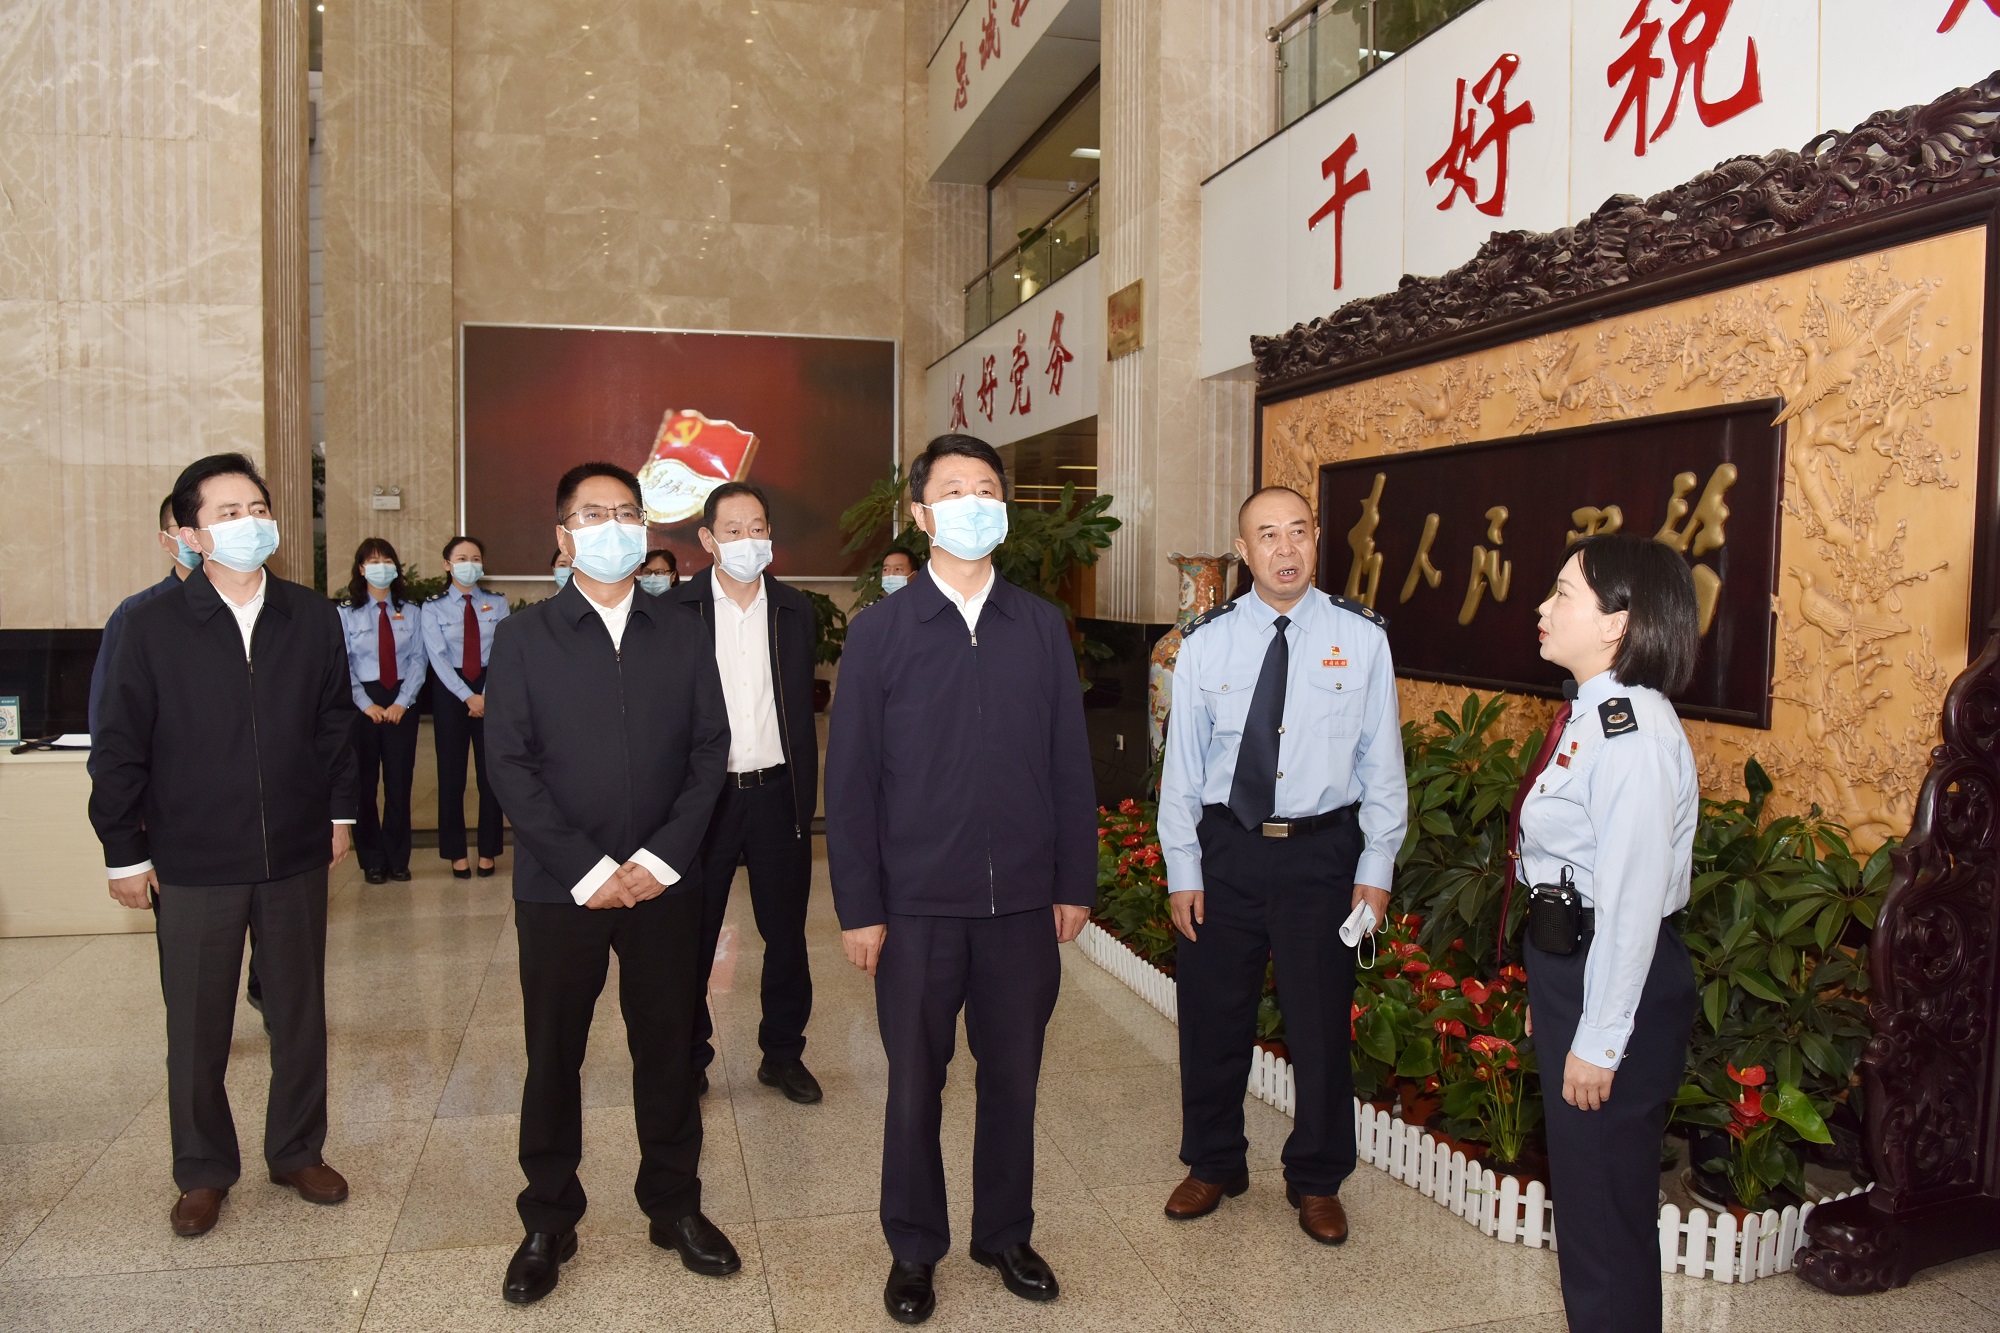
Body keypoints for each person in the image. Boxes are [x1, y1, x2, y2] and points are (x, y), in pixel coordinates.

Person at [826, 434, 1096, 1326]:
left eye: (987, 488)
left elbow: (1069, 764)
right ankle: (914, 1245)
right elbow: (850, 782)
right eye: (954, 490)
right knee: (915, 1085)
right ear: (920, 513)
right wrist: (860, 908)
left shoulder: (1040, 625)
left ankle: (1005, 1234)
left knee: (1014, 1079)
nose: (974, 503)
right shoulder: (881, 632)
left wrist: (1074, 881)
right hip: (915, 909)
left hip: (1021, 903)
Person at [484, 462, 738, 1306]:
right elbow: (509, 763)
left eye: (627, 512)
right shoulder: (525, 637)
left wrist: (662, 859)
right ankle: (549, 1217)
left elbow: (709, 750)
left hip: (665, 882)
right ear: (563, 536)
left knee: (668, 1048)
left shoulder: (683, 631)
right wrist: (587, 869)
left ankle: (674, 1205)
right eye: (593, 514)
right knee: (553, 1053)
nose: (614, 527)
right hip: (561, 887)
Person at [88, 453, 357, 1239]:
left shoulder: (310, 615)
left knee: (299, 1013)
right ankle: (203, 1168)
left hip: (294, 852)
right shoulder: (149, 623)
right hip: (194, 857)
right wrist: (123, 851)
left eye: (258, 508)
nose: (250, 522)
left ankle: (297, 1149)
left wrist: (341, 813)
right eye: (229, 512)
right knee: (199, 1024)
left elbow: (334, 723)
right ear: (192, 534)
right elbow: (119, 744)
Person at [1157, 485, 1407, 1245]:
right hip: (1226, 849)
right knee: (1212, 1016)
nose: (1286, 548)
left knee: (1320, 1022)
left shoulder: (1361, 638)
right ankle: (1214, 1161)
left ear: (1318, 538)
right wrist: (1183, 869)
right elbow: (1182, 770)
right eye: (1267, 535)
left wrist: (1377, 863)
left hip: (1322, 853)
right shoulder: (1206, 643)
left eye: (1298, 531)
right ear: (1244, 551)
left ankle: (1318, 1177)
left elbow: (1382, 763)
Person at [1514, 534, 1700, 1333]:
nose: (1543, 606)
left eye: (1563, 592)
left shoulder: (1632, 736)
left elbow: (1630, 903)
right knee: (1589, 1205)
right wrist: (1554, 996)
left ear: (1618, 622)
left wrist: (1599, 1035)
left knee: (1602, 1213)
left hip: (1616, 971)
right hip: (1578, 964)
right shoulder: (1592, 715)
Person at [666, 481, 822, 1105]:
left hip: (778, 793)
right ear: (707, 539)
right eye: (733, 531)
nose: (747, 540)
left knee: (785, 935)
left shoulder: (793, 610)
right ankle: (690, 1056)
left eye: (757, 528)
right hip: (703, 801)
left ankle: (783, 1055)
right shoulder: (676, 612)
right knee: (692, 935)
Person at [337, 539, 428, 884]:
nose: (381, 567)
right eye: (373, 562)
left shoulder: (412, 611)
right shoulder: (346, 613)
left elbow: (419, 659)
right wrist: (366, 704)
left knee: (399, 782)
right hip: (362, 700)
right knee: (364, 784)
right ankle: (372, 860)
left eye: (387, 561)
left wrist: (403, 701)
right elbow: (342, 663)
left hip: (402, 699)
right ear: (361, 569)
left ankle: (398, 858)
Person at [87, 494, 202, 761]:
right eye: (182, 527)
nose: (193, 537)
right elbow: (108, 710)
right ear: (164, 540)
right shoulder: (135, 613)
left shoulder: (250, 605)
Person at [422, 536, 509, 878]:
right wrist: (467, 695)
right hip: (450, 691)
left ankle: (489, 851)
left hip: (491, 687)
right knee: (451, 776)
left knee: (491, 776)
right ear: (447, 565)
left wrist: (485, 693)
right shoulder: (433, 607)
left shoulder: (497, 603)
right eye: (461, 558)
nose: (469, 564)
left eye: (475, 558)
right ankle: (456, 853)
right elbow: (437, 657)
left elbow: (503, 650)